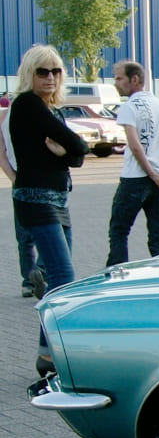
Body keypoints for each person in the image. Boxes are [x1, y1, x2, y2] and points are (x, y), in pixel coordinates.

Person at [8, 45, 88, 374]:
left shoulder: (51, 109)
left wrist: (64, 153)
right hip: (35, 199)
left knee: (61, 279)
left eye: (56, 71)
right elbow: (80, 145)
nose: (51, 78)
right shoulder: (27, 103)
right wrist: (67, 151)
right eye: (43, 71)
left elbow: (78, 157)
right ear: (30, 74)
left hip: (58, 199)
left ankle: (49, 354)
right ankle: (48, 353)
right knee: (64, 276)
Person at [106, 60, 159, 267]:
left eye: (119, 78)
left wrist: (151, 173)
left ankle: (116, 274)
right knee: (158, 235)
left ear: (135, 79)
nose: (116, 83)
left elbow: (135, 147)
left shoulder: (129, 107)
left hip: (135, 179)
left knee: (119, 230)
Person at [0, 104, 46, 297]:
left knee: (25, 234)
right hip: (40, 179)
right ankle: (39, 274)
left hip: (23, 178)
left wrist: (12, 177)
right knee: (51, 229)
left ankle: (30, 279)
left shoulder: (7, 115)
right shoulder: (36, 109)